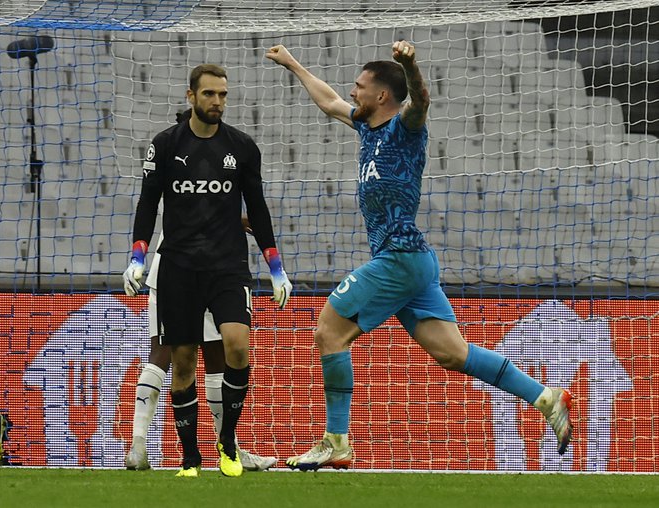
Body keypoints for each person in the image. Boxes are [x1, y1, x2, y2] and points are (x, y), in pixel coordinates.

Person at [266, 41, 573, 471]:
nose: (352, 93)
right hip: (415, 263)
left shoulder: (405, 128)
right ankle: (546, 397)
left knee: (328, 331)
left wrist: (410, 65)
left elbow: (421, 100)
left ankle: (336, 441)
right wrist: (294, 63)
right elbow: (329, 102)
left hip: (399, 257)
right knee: (453, 354)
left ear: (382, 96)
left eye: (359, 87)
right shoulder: (365, 125)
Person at [123, 64, 292, 478]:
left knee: (235, 346)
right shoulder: (164, 146)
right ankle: (187, 458)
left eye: (222, 95)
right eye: (210, 94)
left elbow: (258, 207)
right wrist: (137, 257)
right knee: (181, 361)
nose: (217, 101)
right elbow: (148, 205)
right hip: (177, 267)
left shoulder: (243, 147)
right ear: (191, 97)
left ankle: (227, 443)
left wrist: (276, 267)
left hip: (227, 267)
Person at [123, 229, 277, 473]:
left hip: (168, 263)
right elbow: (208, 208)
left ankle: (137, 447)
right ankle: (230, 449)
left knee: (161, 351)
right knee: (215, 358)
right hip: (208, 261)